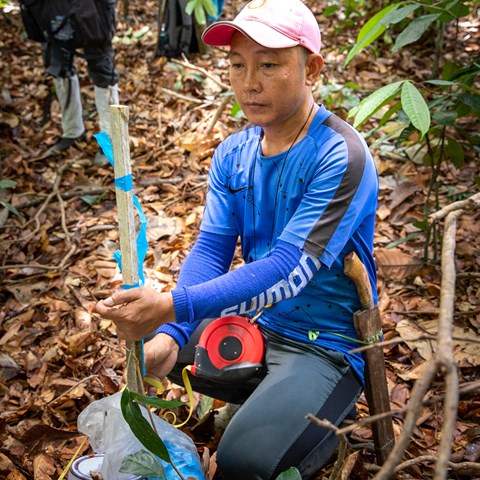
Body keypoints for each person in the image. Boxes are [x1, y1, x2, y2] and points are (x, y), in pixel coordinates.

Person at [95, 0, 379, 478]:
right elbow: (212, 249)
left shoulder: (340, 155)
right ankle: (271, 400)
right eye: (237, 65)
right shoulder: (234, 152)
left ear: (311, 68)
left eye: (269, 65)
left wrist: (169, 306)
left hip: (323, 341)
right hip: (255, 320)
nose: (249, 82)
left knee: (242, 463)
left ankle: (320, 405)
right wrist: (172, 333)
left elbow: (290, 270)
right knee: (143, 353)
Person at [19, 0, 119, 163]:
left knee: (102, 67)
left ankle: (110, 142)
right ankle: (72, 132)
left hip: (93, 10)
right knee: (58, 66)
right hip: (53, 10)